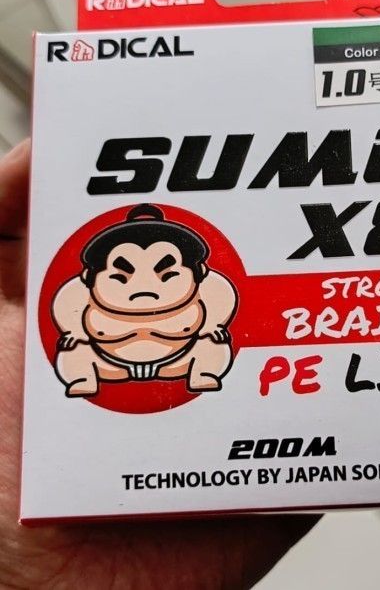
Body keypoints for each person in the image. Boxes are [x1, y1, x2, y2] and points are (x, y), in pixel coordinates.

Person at [0, 139, 318, 588]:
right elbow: (65, 310)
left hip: (181, 363)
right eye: (121, 272)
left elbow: (223, 303)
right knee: (76, 360)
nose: (144, 285)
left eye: (168, 272)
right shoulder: (76, 302)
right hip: (107, 366)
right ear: (91, 279)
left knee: (211, 353)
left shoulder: (212, 299)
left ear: (197, 276)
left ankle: (201, 371)